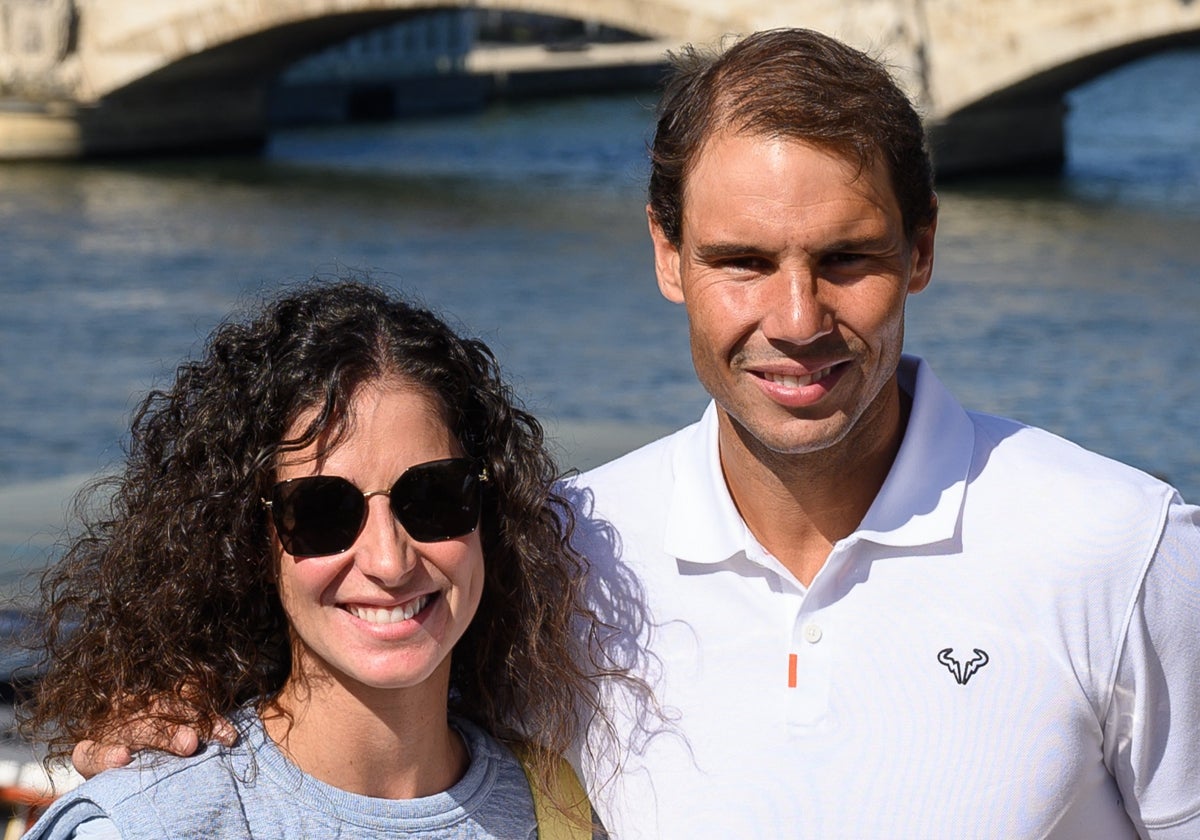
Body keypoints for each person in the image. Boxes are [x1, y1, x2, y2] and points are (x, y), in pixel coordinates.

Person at [67, 28, 1200, 840]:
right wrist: (169, 707)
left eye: (845, 259)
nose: (796, 321)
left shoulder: (1119, 545)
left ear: (921, 251)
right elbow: (366, 642)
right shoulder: (562, 552)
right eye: (742, 262)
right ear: (667, 256)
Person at [19, 280, 614, 838]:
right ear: (250, 542)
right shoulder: (153, 823)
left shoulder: (560, 808)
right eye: (324, 510)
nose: (388, 559)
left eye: (433, 498)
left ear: (490, 508)